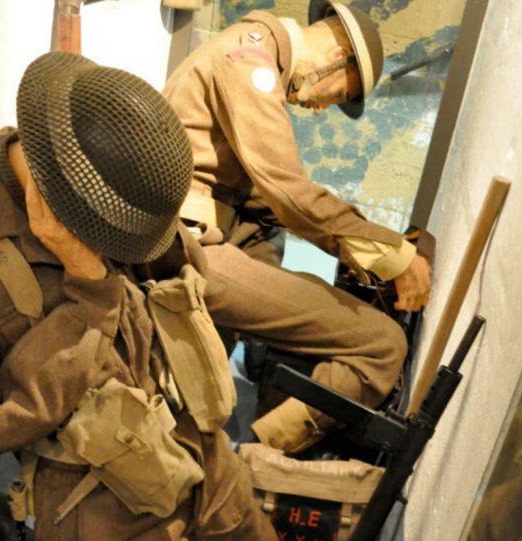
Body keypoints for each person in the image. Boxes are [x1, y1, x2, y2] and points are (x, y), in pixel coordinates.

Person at [0, 51, 280, 541]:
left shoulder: (102, 170)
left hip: (189, 427)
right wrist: (86, 287)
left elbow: (173, 271)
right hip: (99, 493)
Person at [162, 0, 433, 454]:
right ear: (338, 56)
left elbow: (268, 198)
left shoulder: (249, 52)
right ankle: (260, 460)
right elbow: (289, 193)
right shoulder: (251, 63)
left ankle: (206, 420)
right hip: (185, 243)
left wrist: (362, 246)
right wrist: (396, 256)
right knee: (381, 344)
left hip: (197, 229)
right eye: (340, 95)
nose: (323, 109)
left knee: (285, 256)